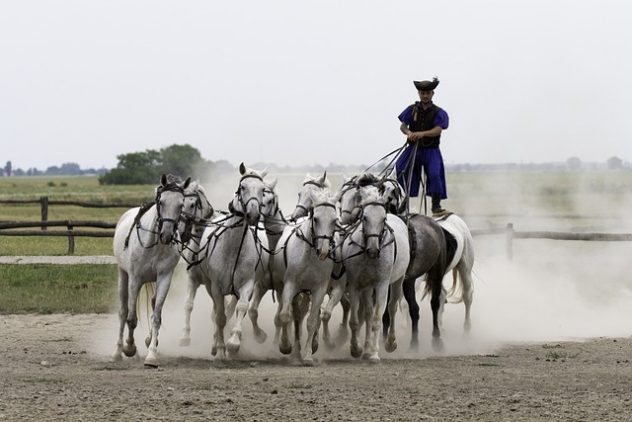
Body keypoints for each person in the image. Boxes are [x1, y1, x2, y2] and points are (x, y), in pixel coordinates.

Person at [395, 77, 449, 216]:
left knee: (435, 174)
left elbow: (438, 129)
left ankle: (436, 206)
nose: (425, 95)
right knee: (400, 169)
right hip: (414, 149)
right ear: (419, 94)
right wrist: (409, 133)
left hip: (431, 150)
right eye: (422, 93)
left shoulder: (439, 112)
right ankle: (401, 202)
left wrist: (421, 134)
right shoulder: (412, 109)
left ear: (432, 94)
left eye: (428, 93)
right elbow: (403, 126)